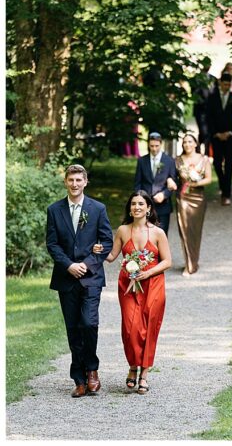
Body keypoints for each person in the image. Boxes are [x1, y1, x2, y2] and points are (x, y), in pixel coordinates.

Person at [45, 164, 113, 398]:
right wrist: (69, 265)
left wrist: (88, 263)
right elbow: (52, 244)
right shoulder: (54, 210)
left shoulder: (98, 209)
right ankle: (79, 379)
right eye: (71, 180)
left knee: (89, 323)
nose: (74, 184)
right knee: (73, 328)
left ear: (85, 182)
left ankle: (92, 369)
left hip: (91, 277)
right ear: (65, 181)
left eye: (78, 180)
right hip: (66, 278)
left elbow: (106, 242)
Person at [98, 191, 171, 395]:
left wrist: (146, 272)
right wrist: (97, 249)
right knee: (131, 329)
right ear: (129, 208)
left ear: (148, 208)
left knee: (149, 328)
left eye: (141, 204)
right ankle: (132, 365)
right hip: (128, 285)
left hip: (153, 284)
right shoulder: (123, 230)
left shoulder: (158, 233)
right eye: (133, 204)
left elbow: (167, 261)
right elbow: (112, 255)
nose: (136, 207)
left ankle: (144, 374)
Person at [175, 134, 213, 276]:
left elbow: (209, 179)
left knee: (195, 231)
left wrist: (195, 182)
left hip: (198, 198)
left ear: (195, 143)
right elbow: (173, 177)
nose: (187, 144)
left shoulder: (204, 159)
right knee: (184, 230)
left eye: (190, 142)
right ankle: (188, 265)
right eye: (184, 142)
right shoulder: (178, 160)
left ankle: (194, 261)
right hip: (183, 197)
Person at [205, 72, 232, 205]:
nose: (226, 86)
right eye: (224, 84)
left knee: (229, 164)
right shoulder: (212, 98)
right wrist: (215, 133)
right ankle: (223, 184)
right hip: (216, 136)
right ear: (220, 83)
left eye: (228, 84)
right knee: (216, 163)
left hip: (230, 136)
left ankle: (226, 194)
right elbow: (208, 118)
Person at [133, 132, 178, 232]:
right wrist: (140, 199)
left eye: (156, 146)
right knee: (144, 235)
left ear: (161, 144)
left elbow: (174, 183)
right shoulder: (141, 161)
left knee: (162, 235)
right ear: (148, 145)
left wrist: (164, 194)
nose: (154, 149)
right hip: (145, 205)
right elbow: (137, 183)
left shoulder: (169, 161)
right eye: (151, 146)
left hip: (163, 205)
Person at [192, 57, 217, 156]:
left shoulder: (213, 79)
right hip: (200, 109)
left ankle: (206, 152)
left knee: (209, 131)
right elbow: (194, 94)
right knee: (203, 130)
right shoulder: (196, 78)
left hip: (210, 110)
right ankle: (199, 149)